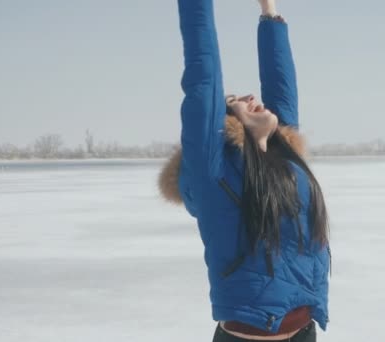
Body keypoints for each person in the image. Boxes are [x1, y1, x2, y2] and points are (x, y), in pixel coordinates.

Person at [159, 0, 330, 340]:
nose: (251, 96)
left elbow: (282, 86)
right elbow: (203, 76)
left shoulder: (286, 160)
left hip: (304, 330)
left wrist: (268, 11)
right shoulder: (214, 171)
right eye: (236, 99)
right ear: (225, 124)